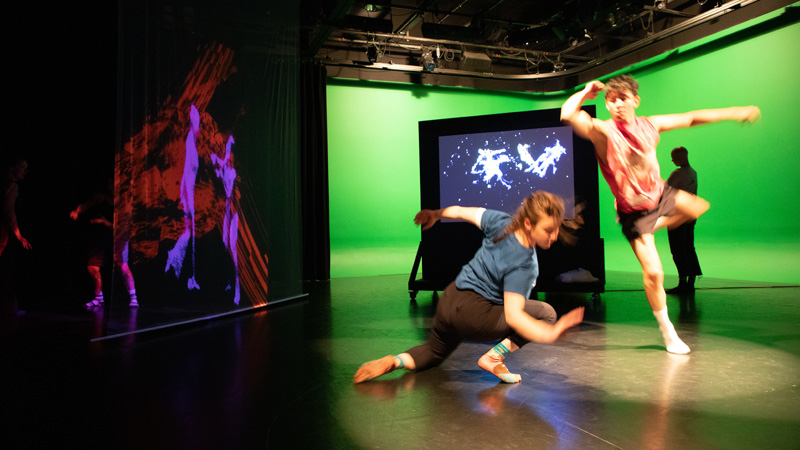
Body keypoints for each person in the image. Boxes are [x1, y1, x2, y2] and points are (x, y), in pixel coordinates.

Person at [560, 74, 760, 354]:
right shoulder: (603, 132)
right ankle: (668, 332)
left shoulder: (650, 125)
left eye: (623, 99)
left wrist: (735, 112)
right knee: (654, 273)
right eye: (611, 100)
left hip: (660, 197)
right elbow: (568, 113)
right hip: (634, 213)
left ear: (635, 101)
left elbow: (691, 118)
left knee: (698, 206)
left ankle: (659, 223)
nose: (617, 105)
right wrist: (585, 91)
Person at [353, 191, 585, 384]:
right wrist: (549, 333)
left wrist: (435, 214)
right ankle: (495, 358)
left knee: (434, 352)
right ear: (528, 223)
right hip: (475, 316)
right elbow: (515, 318)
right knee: (547, 313)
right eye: (548, 230)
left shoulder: (500, 221)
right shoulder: (525, 263)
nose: (554, 236)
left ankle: (395, 361)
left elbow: (460, 212)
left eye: (556, 228)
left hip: (449, 300)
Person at [70, 178, 138, 308]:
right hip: (100, 237)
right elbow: (86, 205)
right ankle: (99, 298)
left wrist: (104, 222)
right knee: (92, 268)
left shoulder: (124, 201)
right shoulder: (101, 197)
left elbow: (122, 226)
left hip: (118, 236)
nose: (112, 186)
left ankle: (133, 297)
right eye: (110, 183)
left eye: (114, 184)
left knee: (122, 266)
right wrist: (77, 211)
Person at [666, 146, 701, 293]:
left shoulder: (678, 174)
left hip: (677, 217)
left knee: (678, 250)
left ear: (680, 158)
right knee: (688, 248)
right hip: (690, 216)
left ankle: (682, 283)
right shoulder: (693, 173)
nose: (672, 160)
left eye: (674, 157)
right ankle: (691, 281)